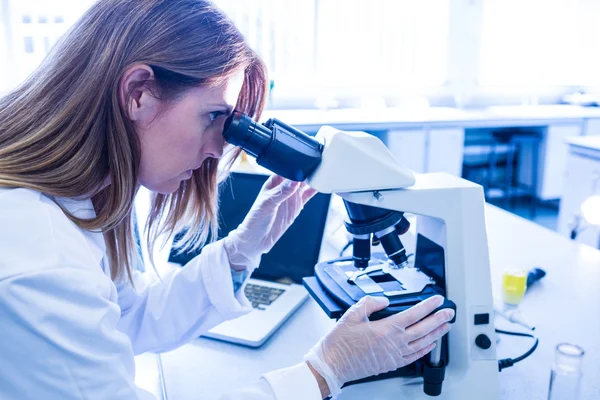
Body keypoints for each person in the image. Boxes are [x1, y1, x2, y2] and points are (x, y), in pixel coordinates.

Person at [0, 1, 455, 399]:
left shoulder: (79, 200)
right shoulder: (39, 259)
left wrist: (242, 249)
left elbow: (124, 319)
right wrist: (324, 371)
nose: (220, 149)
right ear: (138, 94)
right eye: (214, 116)